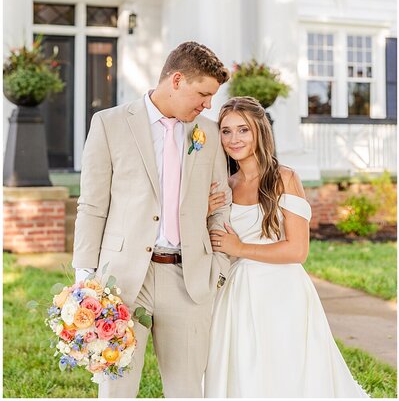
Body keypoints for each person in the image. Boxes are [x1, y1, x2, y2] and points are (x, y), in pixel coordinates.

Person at [72, 41, 232, 398]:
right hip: (123, 281)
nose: (208, 104)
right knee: (116, 388)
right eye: (203, 94)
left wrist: (217, 269)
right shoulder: (109, 123)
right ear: (177, 80)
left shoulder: (207, 133)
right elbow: (92, 205)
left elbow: (221, 206)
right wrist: (85, 277)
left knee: (188, 390)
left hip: (188, 279)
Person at [204, 96, 368, 398]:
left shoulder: (285, 178)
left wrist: (240, 248)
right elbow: (215, 241)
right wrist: (206, 210)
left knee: (285, 370)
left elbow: (297, 250)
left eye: (243, 130)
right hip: (237, 292)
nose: (234, 139)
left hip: (281, 292)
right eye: (226, 131)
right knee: (243, 370)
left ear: (260, 132)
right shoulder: (226, 184)